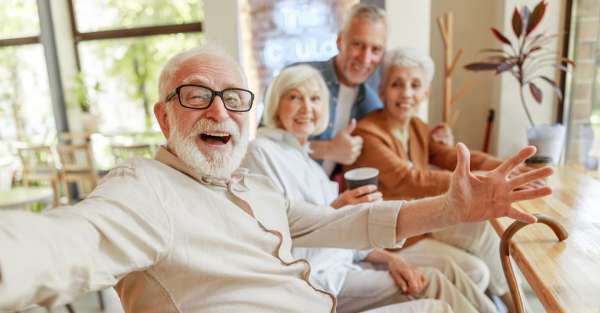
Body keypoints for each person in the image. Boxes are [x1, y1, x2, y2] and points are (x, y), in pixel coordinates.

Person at [0, 44, 552, 313]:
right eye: (196, 96)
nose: (218, 112)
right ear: (163, 116)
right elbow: (67, 241)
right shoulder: (145, 189)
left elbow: (344, 223)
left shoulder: (250, 186)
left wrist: (451, 210)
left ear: (248, 114)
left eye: (234, 99)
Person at [242, 64, 500, 313]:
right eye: (295, 97)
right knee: (430, 282)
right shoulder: (262, 152)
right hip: (316, 278)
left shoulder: (307, 161)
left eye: (315, 98)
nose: (307, 108)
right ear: (276, 104)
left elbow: (347, 234)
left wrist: (391, 259)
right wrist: (336, 211)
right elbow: (276, 239)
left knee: (449, 270)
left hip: (348, 264)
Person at [346, 47, 538, 312]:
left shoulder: (415, 127)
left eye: (415, 85)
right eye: (396, 84)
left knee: (485, 227)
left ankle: (517, 305)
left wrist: (506, 169)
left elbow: (453, 157)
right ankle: (515, 305)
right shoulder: (369, 134)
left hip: (422, 224)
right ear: (381, 91)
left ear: (425, 93)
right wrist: (480, 181)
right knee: (477, 269)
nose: (406, 93)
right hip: (394, 236)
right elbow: (411, 179)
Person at [300, 3, 385, 176]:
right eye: (358, 44)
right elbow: (265, 142)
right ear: (339, 41)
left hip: (329, 199)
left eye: (375, 49)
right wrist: (328, 149)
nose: (366, 58)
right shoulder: (300, 78)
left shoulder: (372, 105)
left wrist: (435, 141)